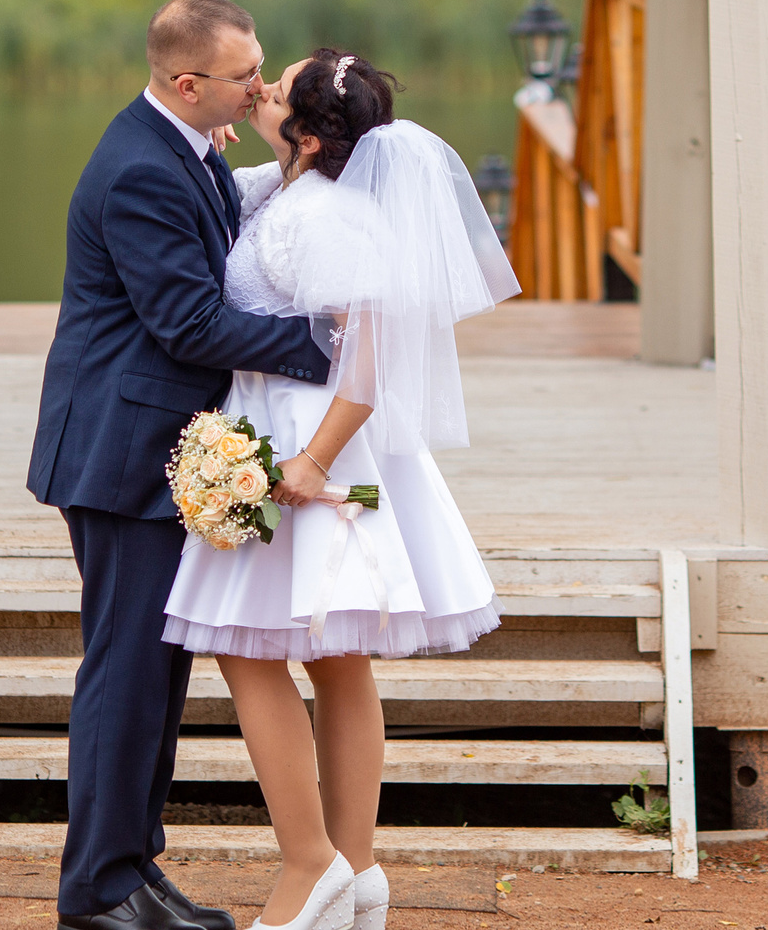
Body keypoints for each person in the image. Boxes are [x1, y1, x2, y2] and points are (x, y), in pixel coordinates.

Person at [162, 52, 518, 930]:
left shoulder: (326, 216)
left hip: (310, 439)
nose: (260, 92)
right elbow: (218, 170)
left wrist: (312, 462)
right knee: (333, 655)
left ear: (312, 135)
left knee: (248, 648)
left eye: (274, 90)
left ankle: (307, 862)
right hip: (284, 419)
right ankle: (357, 870)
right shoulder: (290, 189)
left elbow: (369, 356)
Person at [30, 0, 337, 930]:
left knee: (156, 673)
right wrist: (328, 346)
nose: (258, 87)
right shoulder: (138, 170)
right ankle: (97, 890)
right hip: (121, 453)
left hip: (153, 443)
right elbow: (189, 321)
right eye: (246, 74)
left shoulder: (188, 148)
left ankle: (134, 869)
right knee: (125, 670)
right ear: (187, 80)